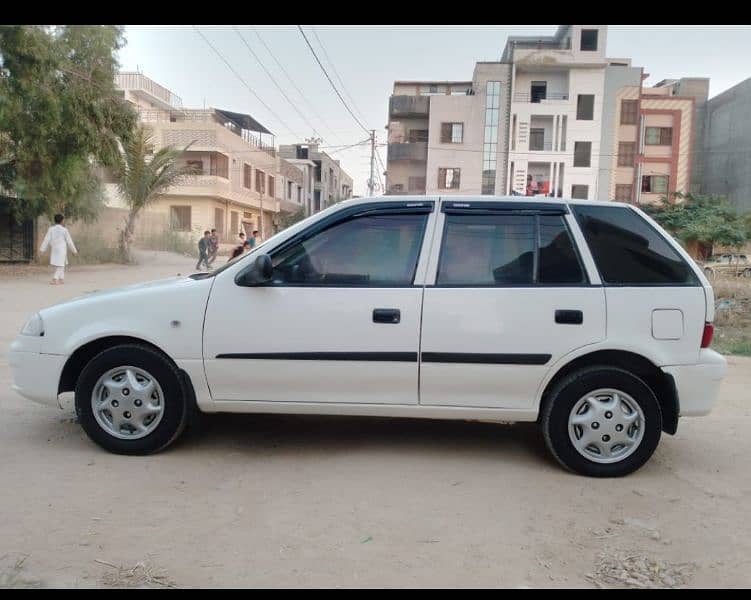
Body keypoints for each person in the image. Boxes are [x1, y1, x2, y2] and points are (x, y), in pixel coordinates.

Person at [39, 213, 78, 285]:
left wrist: (42, 250)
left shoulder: (51, 229)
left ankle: (61, 279)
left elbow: (46, 239)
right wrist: (74, 251)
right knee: (61, 265)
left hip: (54, 248)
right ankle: (55, 279)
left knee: (61, 263)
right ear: (62, 221)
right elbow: (69, 241)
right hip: (62, 249)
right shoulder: (64, 230)